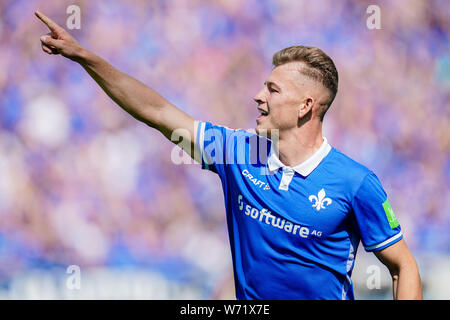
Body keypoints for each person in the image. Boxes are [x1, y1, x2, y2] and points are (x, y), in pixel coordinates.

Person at [35, 10, 422, 300]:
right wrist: (85, 57)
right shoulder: (238, 152)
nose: (258, 95)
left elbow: (402, 265)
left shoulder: (354, 181)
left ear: (306, 105)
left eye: (272, 89)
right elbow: (156, 112)